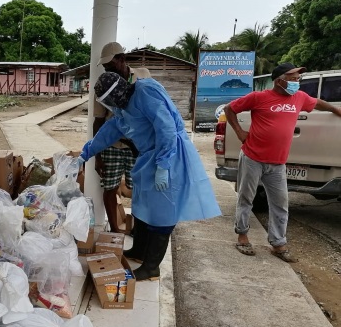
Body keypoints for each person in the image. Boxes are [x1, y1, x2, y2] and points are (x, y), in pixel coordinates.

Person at [80, 72, 221, 281]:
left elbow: (167, 129)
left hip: (170, 156)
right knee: (142, 206)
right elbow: (110, 130)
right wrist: (85, 153)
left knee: (162, 212)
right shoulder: (123, 107)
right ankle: (139, 250)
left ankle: (151, 267)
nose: (110, 106)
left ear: (116, 94)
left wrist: (163, 165)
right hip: (148, 157)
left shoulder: (145, 93)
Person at [224, 62, 341, 262]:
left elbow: (318, 103)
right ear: (279, 81)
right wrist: (239, 132)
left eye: (298, 78)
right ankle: (242, 237)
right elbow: (230, 109)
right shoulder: (258, 97)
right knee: (246, 198)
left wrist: (335, 110)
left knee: (280, 203)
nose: (297, 82)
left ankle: (278, 244)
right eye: (293, 78)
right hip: (252, 157)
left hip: (278, 163)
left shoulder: (299, 97)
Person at [93, 42, 147, 233]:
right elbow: (98, 121)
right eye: (105, 67)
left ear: (122, 59)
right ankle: (115, 231)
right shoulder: (103, 85)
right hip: (112, 146)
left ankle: (138, 228)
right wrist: (97, 156)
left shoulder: (143, 75)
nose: (108, 70)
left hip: (138, 147)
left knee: (140, 189)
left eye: (111, 65)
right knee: (110, 187)